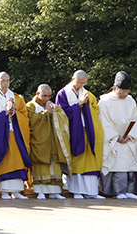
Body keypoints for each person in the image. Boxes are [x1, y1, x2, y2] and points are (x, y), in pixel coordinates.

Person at [98, 72, 137, 199]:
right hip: (113, 139)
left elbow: (135, 119)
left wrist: (130, 135)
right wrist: (116, 136)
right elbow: (104, 122)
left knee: (132, 163)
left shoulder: (130, 100)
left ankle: (130, 191)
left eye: (127, 91)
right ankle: (118, 192)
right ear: (115, 88)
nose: (125, 94)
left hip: (129, 137)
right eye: (122, 91)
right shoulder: (104, 102)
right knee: (117, 165)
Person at [56, 70, 105, 199]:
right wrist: (79, 105)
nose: (80, 85)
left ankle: (92, 192)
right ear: (73, 79)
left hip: (87, 129)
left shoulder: (87, 93)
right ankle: (77, 191)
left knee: (90, 159)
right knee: (77, 160)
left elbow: (95, 109)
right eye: (79, 82)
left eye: (83, 83)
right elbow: (61, 113)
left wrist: (87, 105)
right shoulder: (63, 93)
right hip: (73, 131)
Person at [0, 72, 31, 200]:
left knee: (17, 160)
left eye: (7, 80)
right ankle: (4, 191)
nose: (5, 83)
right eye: (3, 80)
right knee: (5, 161)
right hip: (0, 135)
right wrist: (4, 113)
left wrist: (15, 111)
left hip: (15, 132)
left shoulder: (16, 97)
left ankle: (17, 191)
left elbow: (24, 114)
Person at [27, 84, 70, 200]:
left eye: (49, 96)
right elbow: (31, 121)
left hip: (52, 141)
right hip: (39, 141)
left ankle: (55, 191)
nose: (47, 98)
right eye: (44, 95)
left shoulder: (53, 106)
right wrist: (46, 113)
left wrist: (54, 113)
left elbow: (63, 116)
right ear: (37, 94)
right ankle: (40, 191)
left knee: (54, 163)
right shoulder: (30, 106)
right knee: (41, 166)